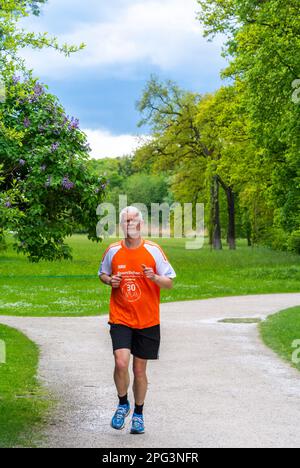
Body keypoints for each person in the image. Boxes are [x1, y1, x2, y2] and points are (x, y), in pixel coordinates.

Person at [98, 206, 176, 434]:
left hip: (147, 320)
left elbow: (170, 282)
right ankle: (123, 404)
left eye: (133, 221)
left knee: (139, 370)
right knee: (121, 362)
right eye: (125, 221)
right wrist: (109, 280)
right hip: (121, 316)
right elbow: (102, 273)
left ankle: (139, 414)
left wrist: (154, 277)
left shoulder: (153, 251)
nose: (129, 224)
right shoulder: (113, 250)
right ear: (122, 225)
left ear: (140, 224)